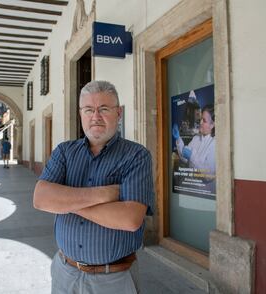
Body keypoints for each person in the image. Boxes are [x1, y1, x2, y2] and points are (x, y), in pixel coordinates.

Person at [33, 80, 154, 294]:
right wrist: (107, 193)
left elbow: (130, 219)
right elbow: (41, 199)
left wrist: (64, 202)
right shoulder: (64, 152)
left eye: (104, 109)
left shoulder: (136, 155)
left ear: (118, 113)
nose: (95, 116)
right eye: (88, 110)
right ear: (81, 115)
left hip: (114, 279)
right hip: (64, 272)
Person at [172, 104, 215, 176]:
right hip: (190, 182)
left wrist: (192, 157)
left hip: (203, 186)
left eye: (204, 120)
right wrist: (178, 138)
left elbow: (209, 173)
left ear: (212, 125)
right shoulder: (196, 138)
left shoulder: (214, 143)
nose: (200, 122)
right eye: (201, 119)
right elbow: (184, 158)